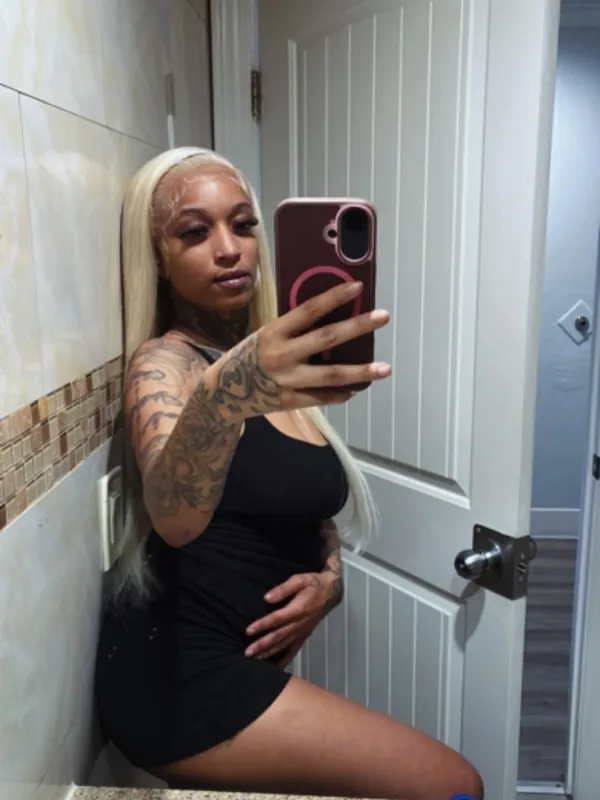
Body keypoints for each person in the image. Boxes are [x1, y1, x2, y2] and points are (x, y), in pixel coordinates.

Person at [95, 146, 483, 800]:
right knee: (456, 785)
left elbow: (299, 502)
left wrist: (330, 578)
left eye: (243, 225)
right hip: (176, 675)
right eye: (195, 232)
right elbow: (174, 516)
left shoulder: (270, 363)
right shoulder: (165, 364)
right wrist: (224, 394)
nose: (229, 249)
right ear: (157, 257)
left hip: (235, 659)